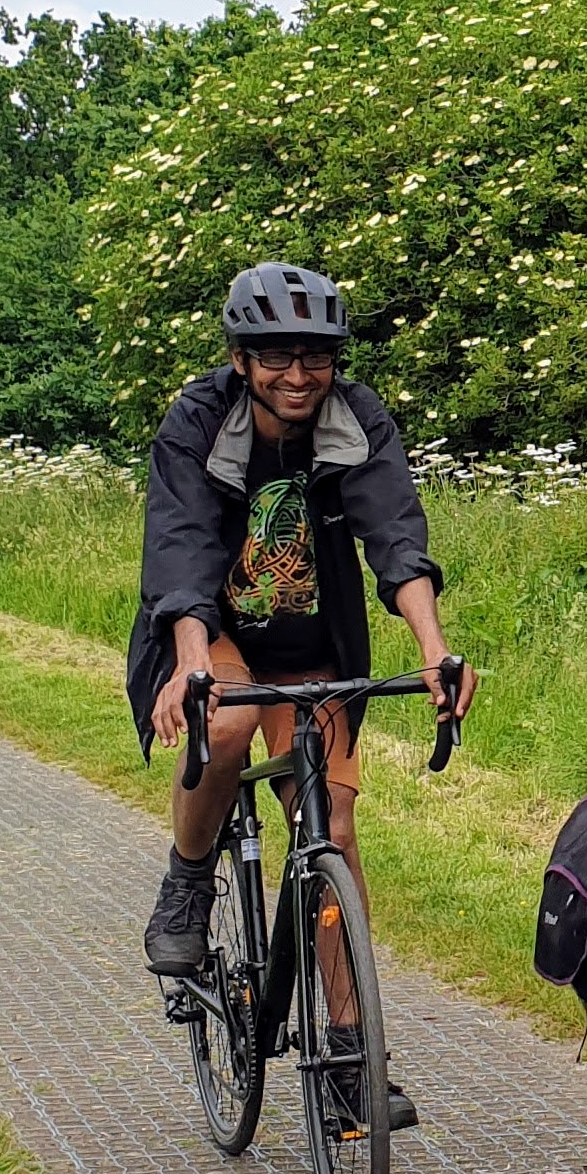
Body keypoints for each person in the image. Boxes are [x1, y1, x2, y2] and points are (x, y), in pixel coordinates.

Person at [129, 261, 472, 1126]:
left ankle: (352, 1055)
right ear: (241, 359)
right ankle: (189, 879)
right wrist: (189, 661)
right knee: (233, 715)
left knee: (334, 829)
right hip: (213, 631)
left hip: (316, 645)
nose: (297, 376)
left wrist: (434, 651)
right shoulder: (198, 422)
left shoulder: (356, 419)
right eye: (275, 357)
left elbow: (395, 536)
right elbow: (181, 549)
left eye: (314, 359)